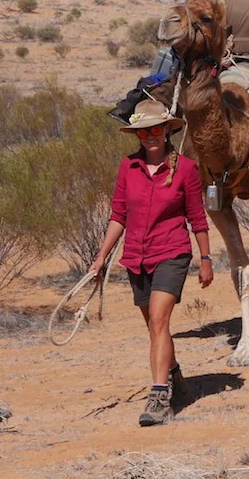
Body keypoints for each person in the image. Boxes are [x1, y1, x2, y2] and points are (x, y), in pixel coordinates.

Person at [90, 98, 213, 427]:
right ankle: (177, 379)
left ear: (167, 130)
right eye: (144, 132)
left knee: (159, 321)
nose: (151, 136)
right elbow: (118, 215)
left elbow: (197, 218)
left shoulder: (185, 169)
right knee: (155, 328)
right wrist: (101, 257)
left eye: (156, 129)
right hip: (137, 257)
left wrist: (205, 258)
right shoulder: (128, 167)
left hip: (172, 252)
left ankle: (159, 398)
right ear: (137, 136)